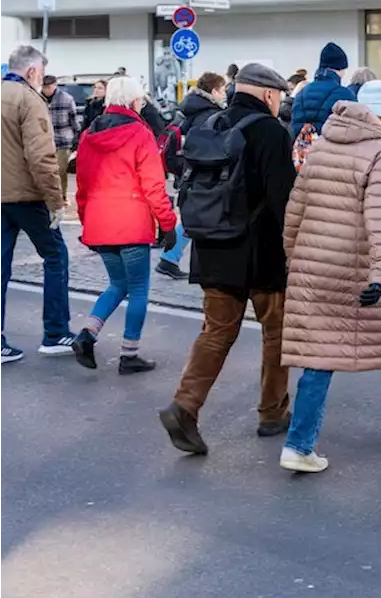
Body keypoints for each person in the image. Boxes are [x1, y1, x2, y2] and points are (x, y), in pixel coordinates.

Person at [278, 82, 381, 473]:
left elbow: (294, 210)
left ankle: (298, 445)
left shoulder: (321, 146)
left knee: (318, 354)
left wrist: (293, 258)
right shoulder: (380, 151)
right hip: (359, 266)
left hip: (313, 265)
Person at [159, 63, 297, 456]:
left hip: (212, 248)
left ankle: (184, 406)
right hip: (260, 254)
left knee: (216, 332)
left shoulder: (208, 123)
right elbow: (284, 199)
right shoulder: (269, 131)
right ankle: (272, 412)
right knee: (276, 332)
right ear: (269, 94)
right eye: (280, 96)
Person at [70, 76, 178, 375]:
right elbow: (154, 186)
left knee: (118, 284)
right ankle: (129, 354)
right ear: (134, 102)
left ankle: (87, 334)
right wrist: (167, 223)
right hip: (130, 223)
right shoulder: (140, 133)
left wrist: (86, 221)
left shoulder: (89, 134)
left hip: (99, 222)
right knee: (139, 288)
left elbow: (82, 186)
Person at [0, 46, 73, 363]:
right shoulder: (30, 100)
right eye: (41, 73)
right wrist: (56, 202)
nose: (41, 79)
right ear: (31, 72)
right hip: (28, 198)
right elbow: (42, 157)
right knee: (56, 257)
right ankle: (55, 333)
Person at [156, 72, 228, 280]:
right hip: (202, 173)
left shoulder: (191, 109)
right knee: (202, 218)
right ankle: (173, 259)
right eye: (222, 90)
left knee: (196, 217)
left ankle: (169, 258)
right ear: (213, 91)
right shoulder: (208, 114)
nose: (224, 94)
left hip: (188, 172)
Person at [290, 42, 356, 139]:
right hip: (333, 151)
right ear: (340, 69)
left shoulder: (301, 93)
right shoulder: (344, 94)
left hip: (304, 152)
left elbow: (295, 126)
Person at [41, 75, 79, 204]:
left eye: (49, 87)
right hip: (44, 140)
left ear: (54, 85)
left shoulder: (67, 99)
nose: (46, 89)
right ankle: (49, 196)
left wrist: (75, 139)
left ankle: (62, 196)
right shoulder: (38, 98)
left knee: (60, 169)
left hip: (63, 139)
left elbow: (74, 120)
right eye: (44, 87)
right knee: (46, 170)